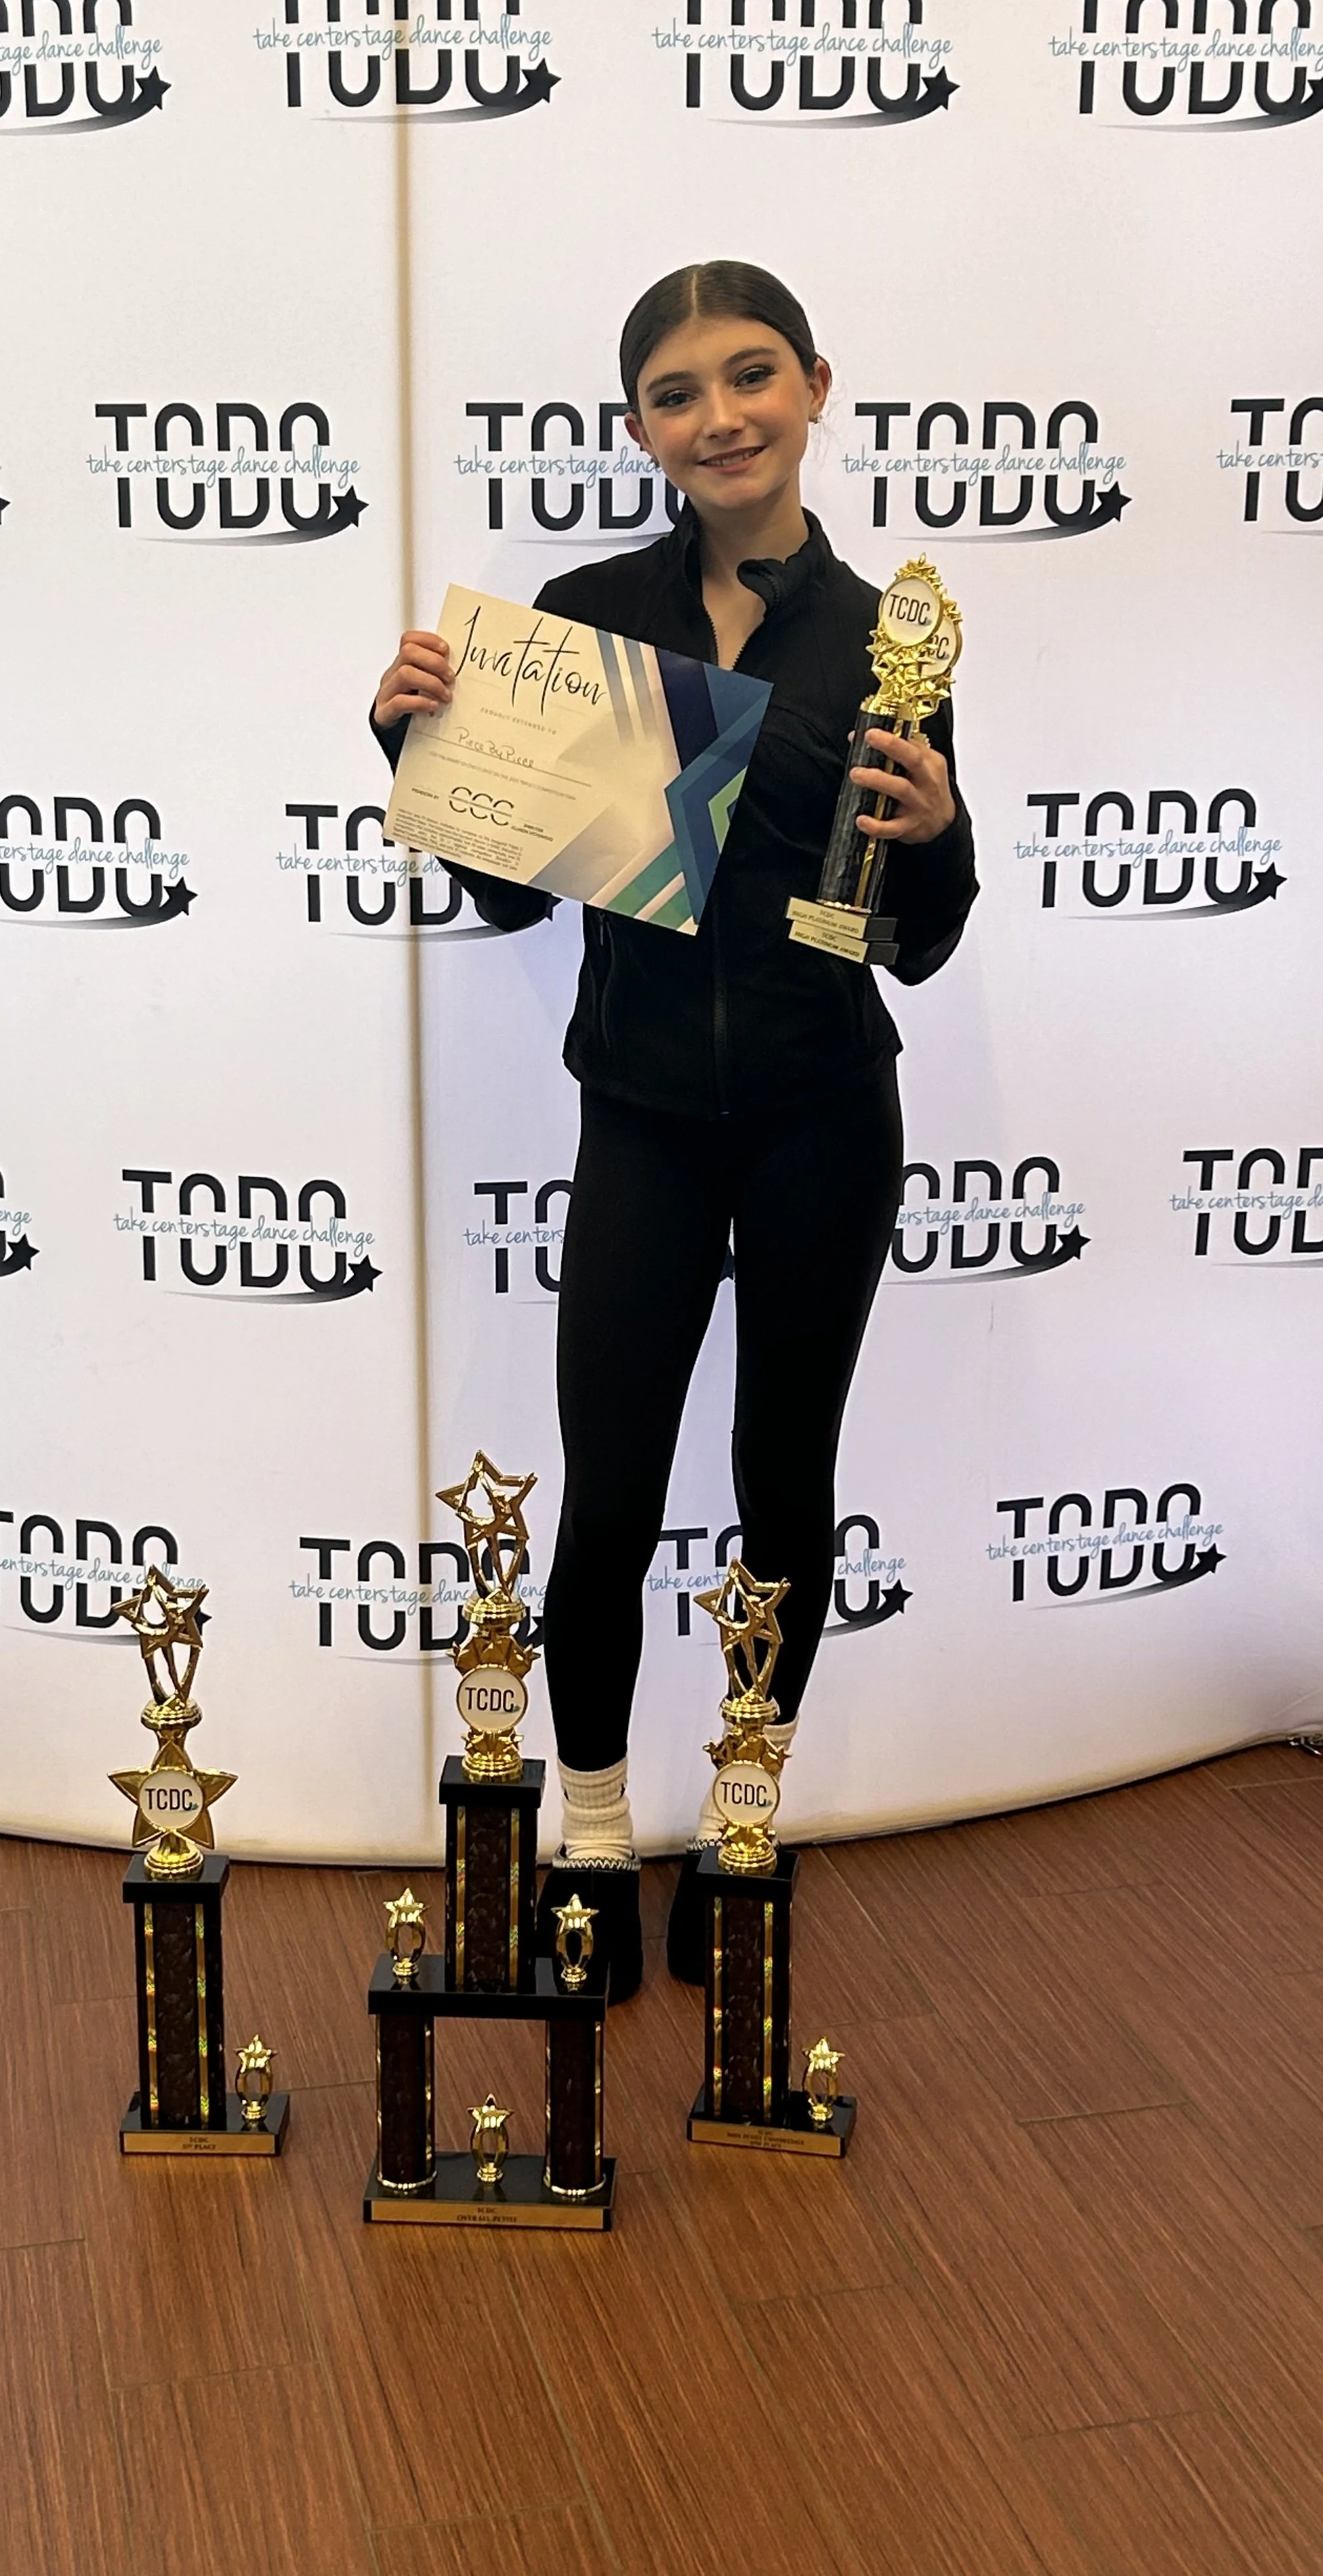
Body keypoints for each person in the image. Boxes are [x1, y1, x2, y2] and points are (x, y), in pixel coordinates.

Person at [371, 261, 977, 2000]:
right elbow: (497, 900)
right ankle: (588, 1836)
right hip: (635, 1113)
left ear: (813, 387)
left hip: (821, 1115)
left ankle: (741, 1827)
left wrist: (934, 827)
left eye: (749, 376)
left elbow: (914, 938)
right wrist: (405, 743)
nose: (717, 415)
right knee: (611, 1495)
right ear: (638, 426)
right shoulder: (579, 616)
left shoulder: (889, 636)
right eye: (676, 391)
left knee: (784, 1479)